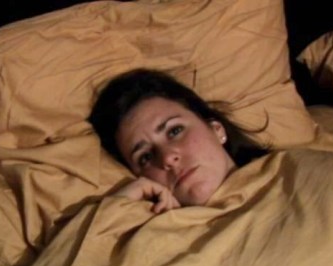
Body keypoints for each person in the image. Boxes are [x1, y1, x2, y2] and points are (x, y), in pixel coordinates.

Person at [88, 68, 267, 213]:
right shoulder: (158, 238)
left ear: (216, 129)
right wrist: (118, 208)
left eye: (174, 131)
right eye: (145, 157)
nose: (167, 158)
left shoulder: (283, 174)